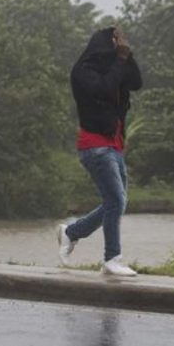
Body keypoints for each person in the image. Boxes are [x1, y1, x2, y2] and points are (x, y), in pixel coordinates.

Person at [57, 27, 142, 276]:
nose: (119, 49)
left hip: (115, 145)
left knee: (116, 201)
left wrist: (129, 56)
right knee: (116, 200)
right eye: (115, 43)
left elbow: (136, 83)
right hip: (94, 145)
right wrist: (120, 60)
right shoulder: (83, 71)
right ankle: (112, 258)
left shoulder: (116, 66)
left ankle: (71, 233)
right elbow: (104, 89)